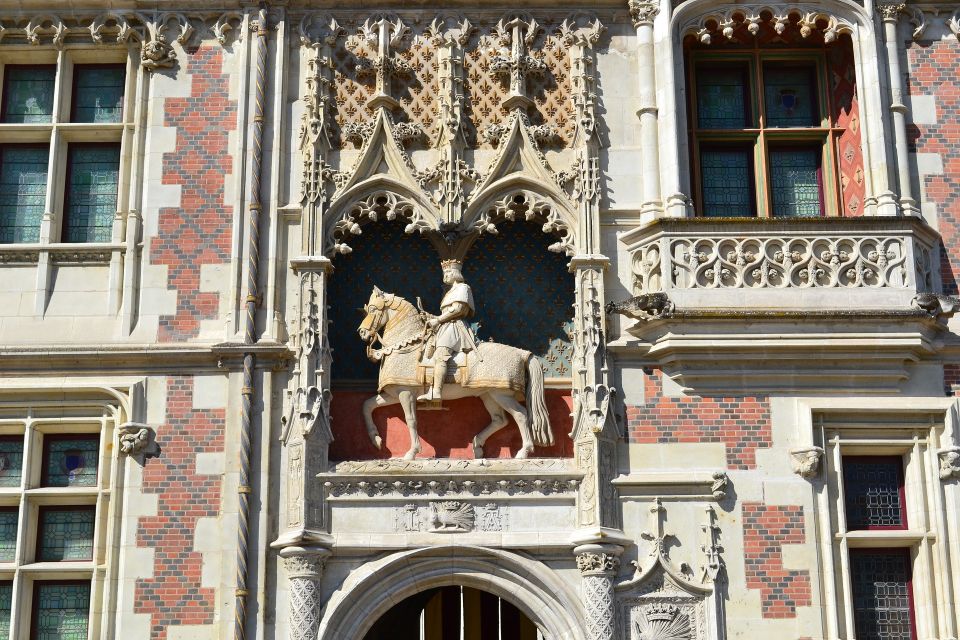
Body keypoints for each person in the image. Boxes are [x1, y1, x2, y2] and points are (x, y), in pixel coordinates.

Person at [417, 259, 477, 402]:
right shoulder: (451, 291)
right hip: (445, 326)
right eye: (445, 272)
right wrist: (430, 317)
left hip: (455, 327)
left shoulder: (463, 288)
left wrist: (437, 320)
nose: (446, 275)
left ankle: (436, 391)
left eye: (449, 272)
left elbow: (458, 309)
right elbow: (446, 312)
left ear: (456, 272)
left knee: (440, 354)